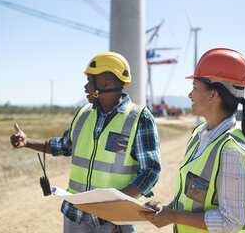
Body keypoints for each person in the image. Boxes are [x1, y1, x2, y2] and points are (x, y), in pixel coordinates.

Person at [10, 51, 161, 233]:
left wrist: (117, 201)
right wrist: (26, 142)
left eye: (90, 80)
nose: (85, 86)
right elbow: (63, 145)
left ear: (105, 83)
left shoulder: (139, 118)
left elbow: (151, 171)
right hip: (76, 216)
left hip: (113, 222)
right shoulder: (84, 114)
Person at [139, 48, 245, 232]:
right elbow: (192, 194)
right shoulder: (199, 134)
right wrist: (168, 209)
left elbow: (231, 222)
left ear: (213, 95)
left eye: (195, 88)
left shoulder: (232, 151)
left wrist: (173, 217)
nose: (190, 95)